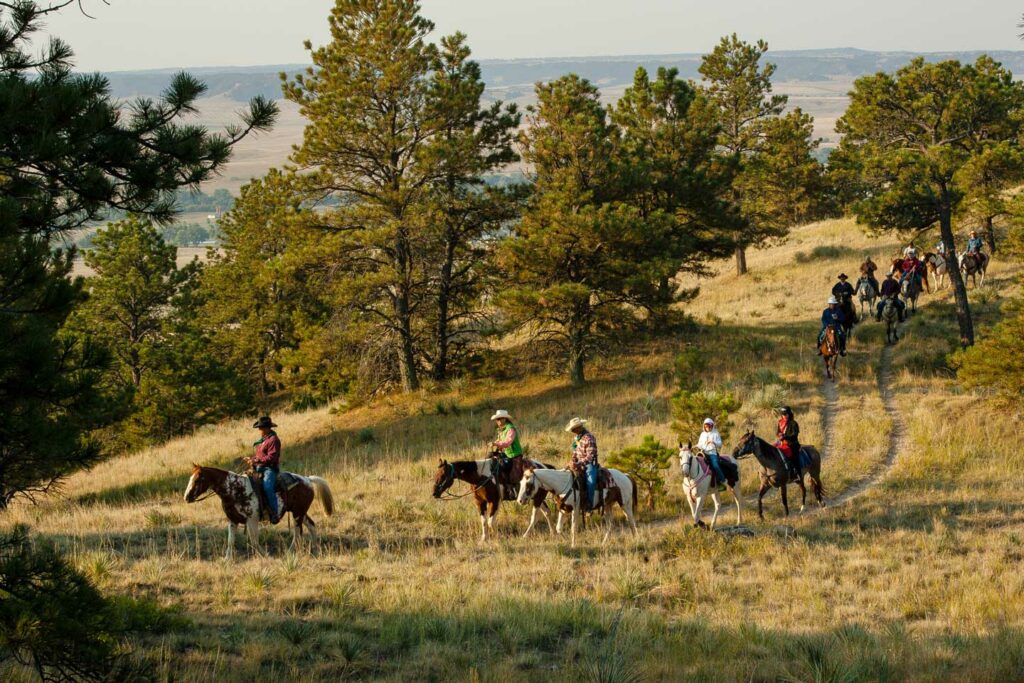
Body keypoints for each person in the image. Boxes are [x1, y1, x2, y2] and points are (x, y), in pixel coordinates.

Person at [251, 416, 282, 523]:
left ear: (268, 428)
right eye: (259, 428)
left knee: (268, 486)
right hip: (259, 468)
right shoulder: (262, 440)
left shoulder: (274, 440)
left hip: (270, 469)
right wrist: (252, 459)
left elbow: (272, 457)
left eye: (262, 428)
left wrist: (256, 460)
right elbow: (259, 456)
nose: (260, 430)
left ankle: (274, 513)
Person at [566, 417, 599, 513]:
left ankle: (589, 505)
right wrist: (572, 461)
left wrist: (578, 463)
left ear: (579, 428)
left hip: (589, 465)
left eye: (573, 429)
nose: (572, 431)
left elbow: (590, 456)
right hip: (578, 464)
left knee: (591, 482)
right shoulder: (577, 438)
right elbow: (575, 453)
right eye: (572, 430)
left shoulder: (589, 438)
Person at [490, 410, 523, 495]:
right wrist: (495, 444)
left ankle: (512, 487)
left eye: (500, 419)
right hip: (507, 454)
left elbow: (508, 442)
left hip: (515, 455)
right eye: (497, 419)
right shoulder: (501, 430)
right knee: (491, 458)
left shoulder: (510, 429)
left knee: (505, 466)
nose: (498, 421)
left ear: (505, 419)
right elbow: (500, 440)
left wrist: (495, 443)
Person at [696, 417, 726, 491]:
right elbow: (700, 444)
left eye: (709, 426)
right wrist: (696, 446)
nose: (707, 428)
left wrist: (713, 442)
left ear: (712, 426)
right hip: (703, 452)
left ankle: (722, 481)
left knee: (715, 465)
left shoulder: (716, 433)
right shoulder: (702, 434)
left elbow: (720, 444)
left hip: (712, 453)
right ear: (704, 427)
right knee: (695, 463)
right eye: (706, 427)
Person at [775, 407, 801, 480]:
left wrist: (785, 437)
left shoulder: (793, 423)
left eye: (786, 414)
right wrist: (779, 435)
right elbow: (778, 432)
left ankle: (797, 474)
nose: (784, 416)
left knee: (794, 458)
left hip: (792, 443)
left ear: (789, 414)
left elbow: (795, 434)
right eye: (783, 414)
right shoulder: (780, 422)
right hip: (781, 442)